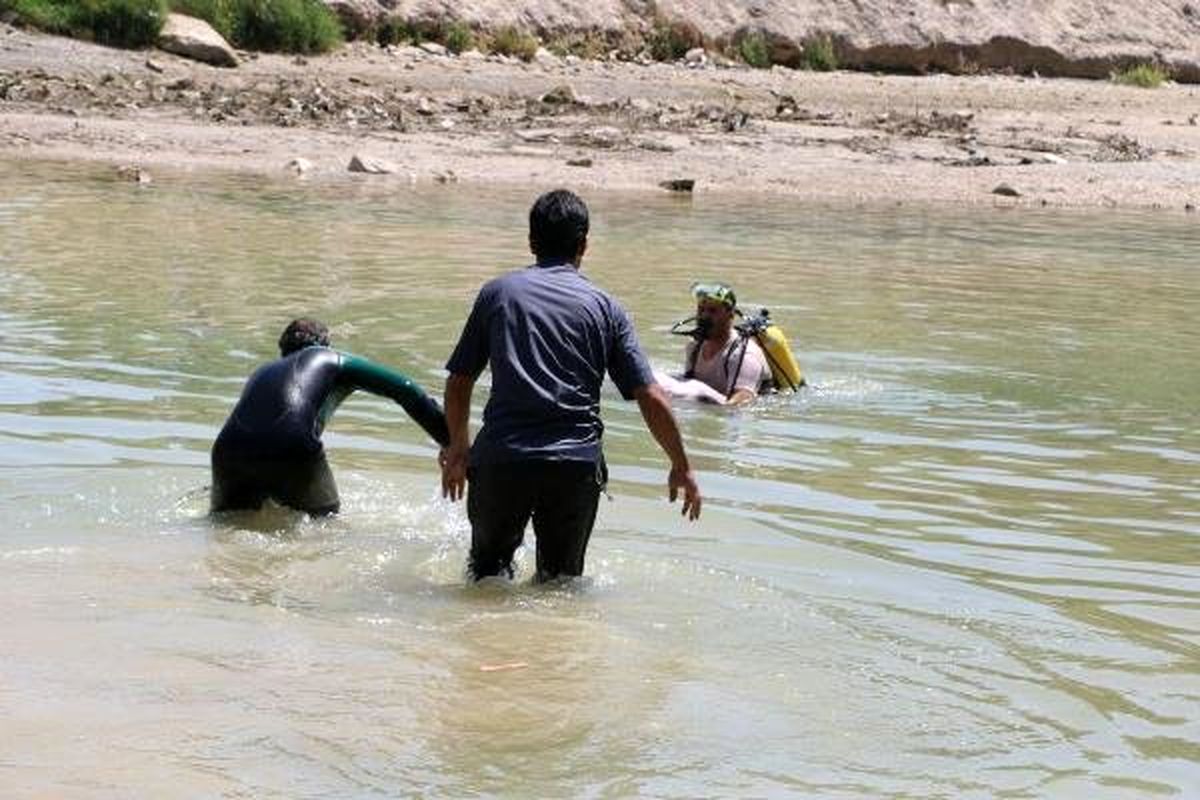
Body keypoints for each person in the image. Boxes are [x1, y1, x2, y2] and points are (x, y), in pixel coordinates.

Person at [440, 189, 701, 582]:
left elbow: (459, 382)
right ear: (584, 244)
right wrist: (681, 465)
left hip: (502, 460)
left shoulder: (497, 294)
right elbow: (650, 395)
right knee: (560, 588)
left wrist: (458, 448)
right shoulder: (605, 306)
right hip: (573, 468)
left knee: (485, 580)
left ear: (531, 241)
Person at [211, 318, 449, 515]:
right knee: (323, 525)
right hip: (293, 446)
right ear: (325, 345)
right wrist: (451, 441)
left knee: (228, 526)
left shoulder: (261, 372)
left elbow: (262, 431)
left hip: (226, 452)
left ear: (283, 350)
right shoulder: (331, 359)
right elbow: (406, 389)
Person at [675, 282, 770, 405]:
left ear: (730, 314)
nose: (704, 316)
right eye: (701, 309)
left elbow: (742, 402)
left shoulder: (745, 355)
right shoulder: (694, 347)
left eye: (712, 311)